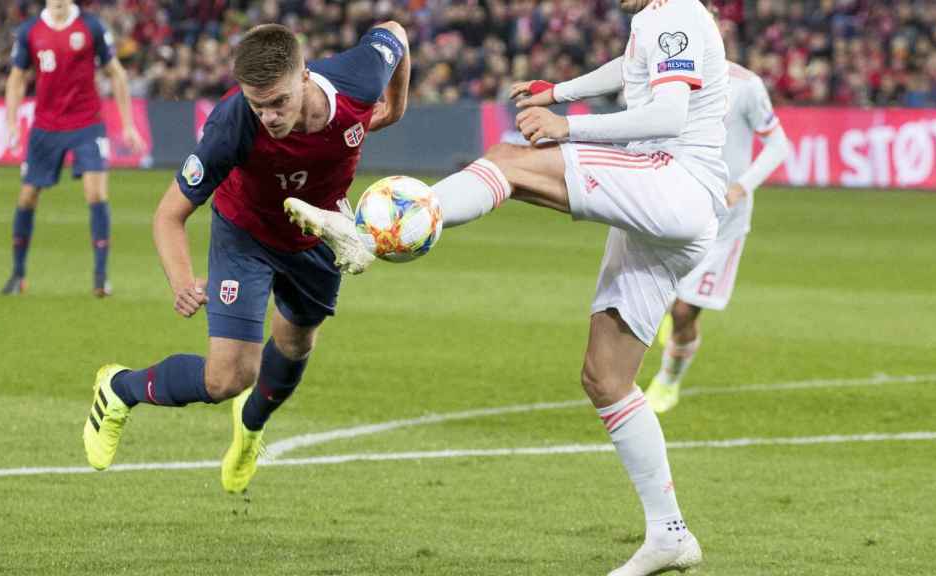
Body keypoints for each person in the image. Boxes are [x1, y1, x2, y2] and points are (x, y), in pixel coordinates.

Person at [292, 1, 723, 573]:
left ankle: (372, 235)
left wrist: (570, 125)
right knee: (606, 377)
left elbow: (669, 114)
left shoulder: (677, 14)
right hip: (670, 211)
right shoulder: (658, 19)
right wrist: (561, 91)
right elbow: (631, 69)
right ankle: (670, 533)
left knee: (510, 162)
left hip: (675, 180)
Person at [82, 22, 410, 494]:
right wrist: (182, 281)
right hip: (245, 235)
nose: (270, 116)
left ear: (303, 77)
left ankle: (251, 429)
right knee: (227, 378)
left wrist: (395, 108)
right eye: (259, 105)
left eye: (278, 102)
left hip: (317, 234)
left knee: (296, 344)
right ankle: (119, 389)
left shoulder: (357, 80)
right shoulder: (231, 124)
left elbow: (394, 33)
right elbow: (168, 216)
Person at [645, 61, 789, 413]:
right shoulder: (667, 79)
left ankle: (668, 379)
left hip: (724, 223)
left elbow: (778, 146)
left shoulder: (745, 86)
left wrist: (742, 186)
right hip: (675, 211)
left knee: (683, 313)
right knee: (660, 297)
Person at [2, 0, 145, 297]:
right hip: (45, 126)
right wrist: (12, 122)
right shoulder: (30, 30)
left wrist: (129, 125)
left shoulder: (91, 26)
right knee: (27, 197)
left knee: (95, 193)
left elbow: (116, 73)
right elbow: (17, 78)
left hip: (86, 123)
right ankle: (17, 274)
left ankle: (101, 277)